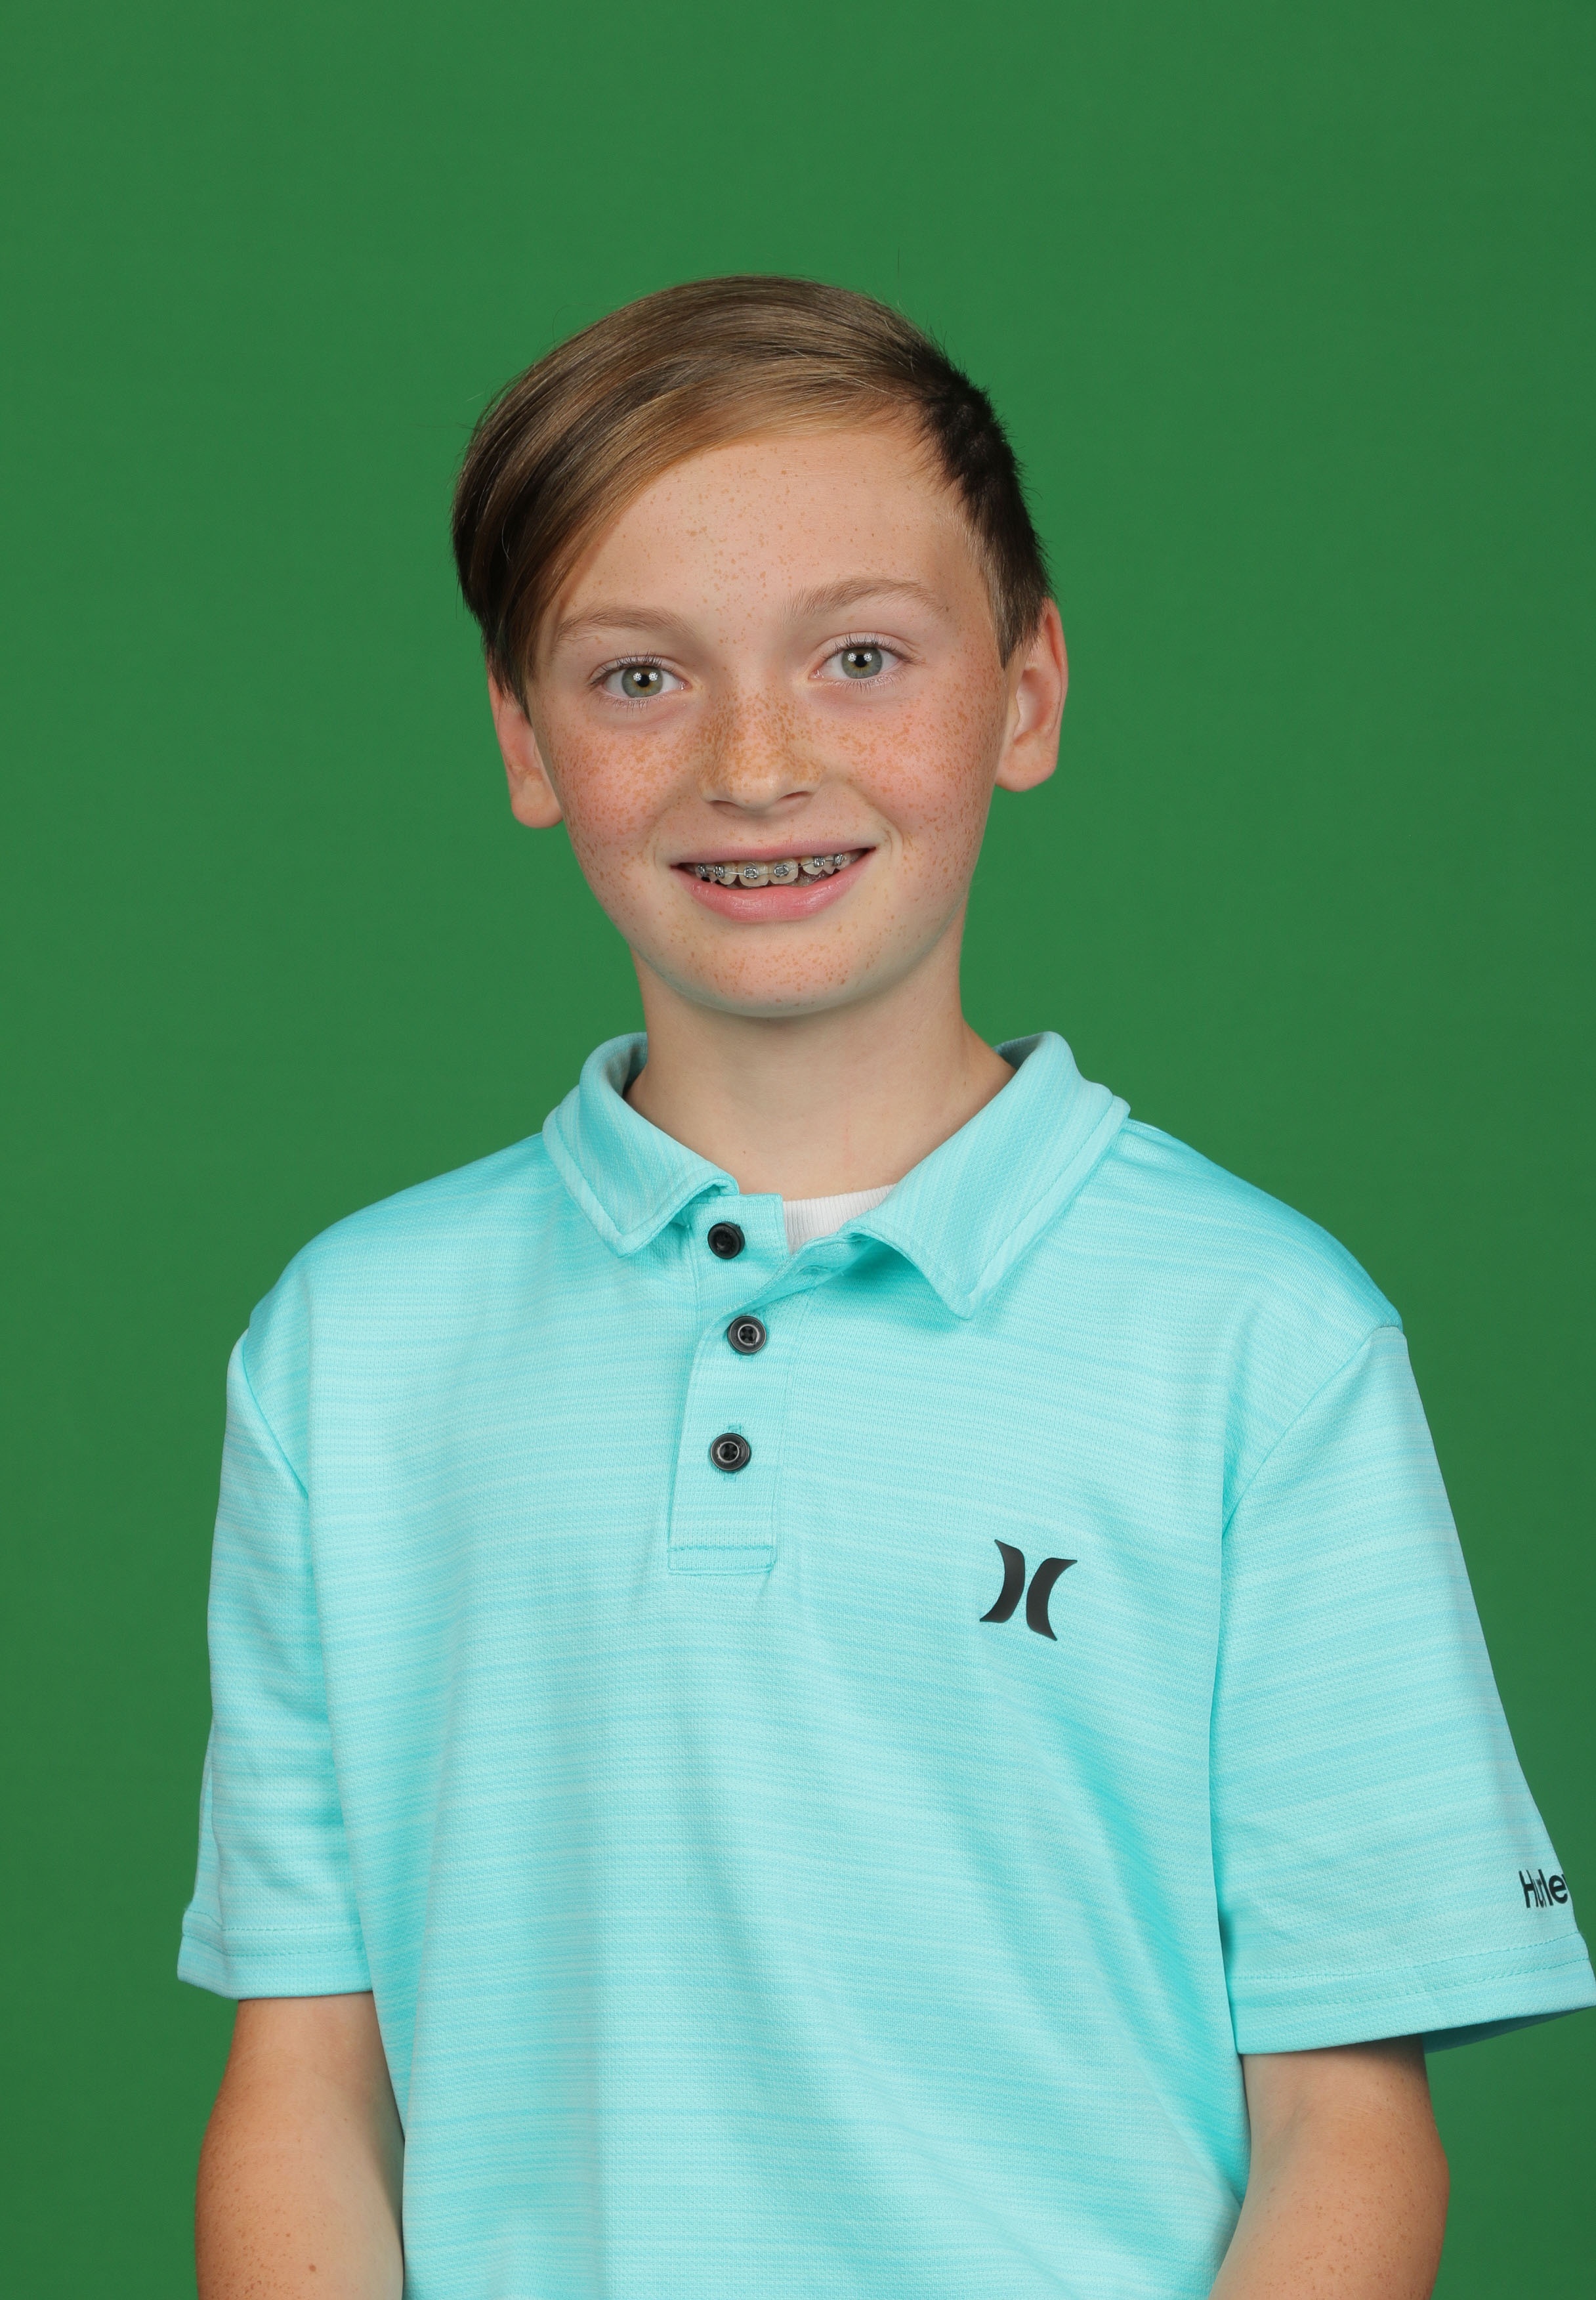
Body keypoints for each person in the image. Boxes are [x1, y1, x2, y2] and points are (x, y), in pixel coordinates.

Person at [182, 276, 1592, 2300]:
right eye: (638, 676)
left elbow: (1344, 2125)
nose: (757, 763)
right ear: (522, 736)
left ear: (1025, 695)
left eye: (860, 657)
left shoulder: (1265, 1345)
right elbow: (310, 2088)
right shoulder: (351, 1352)